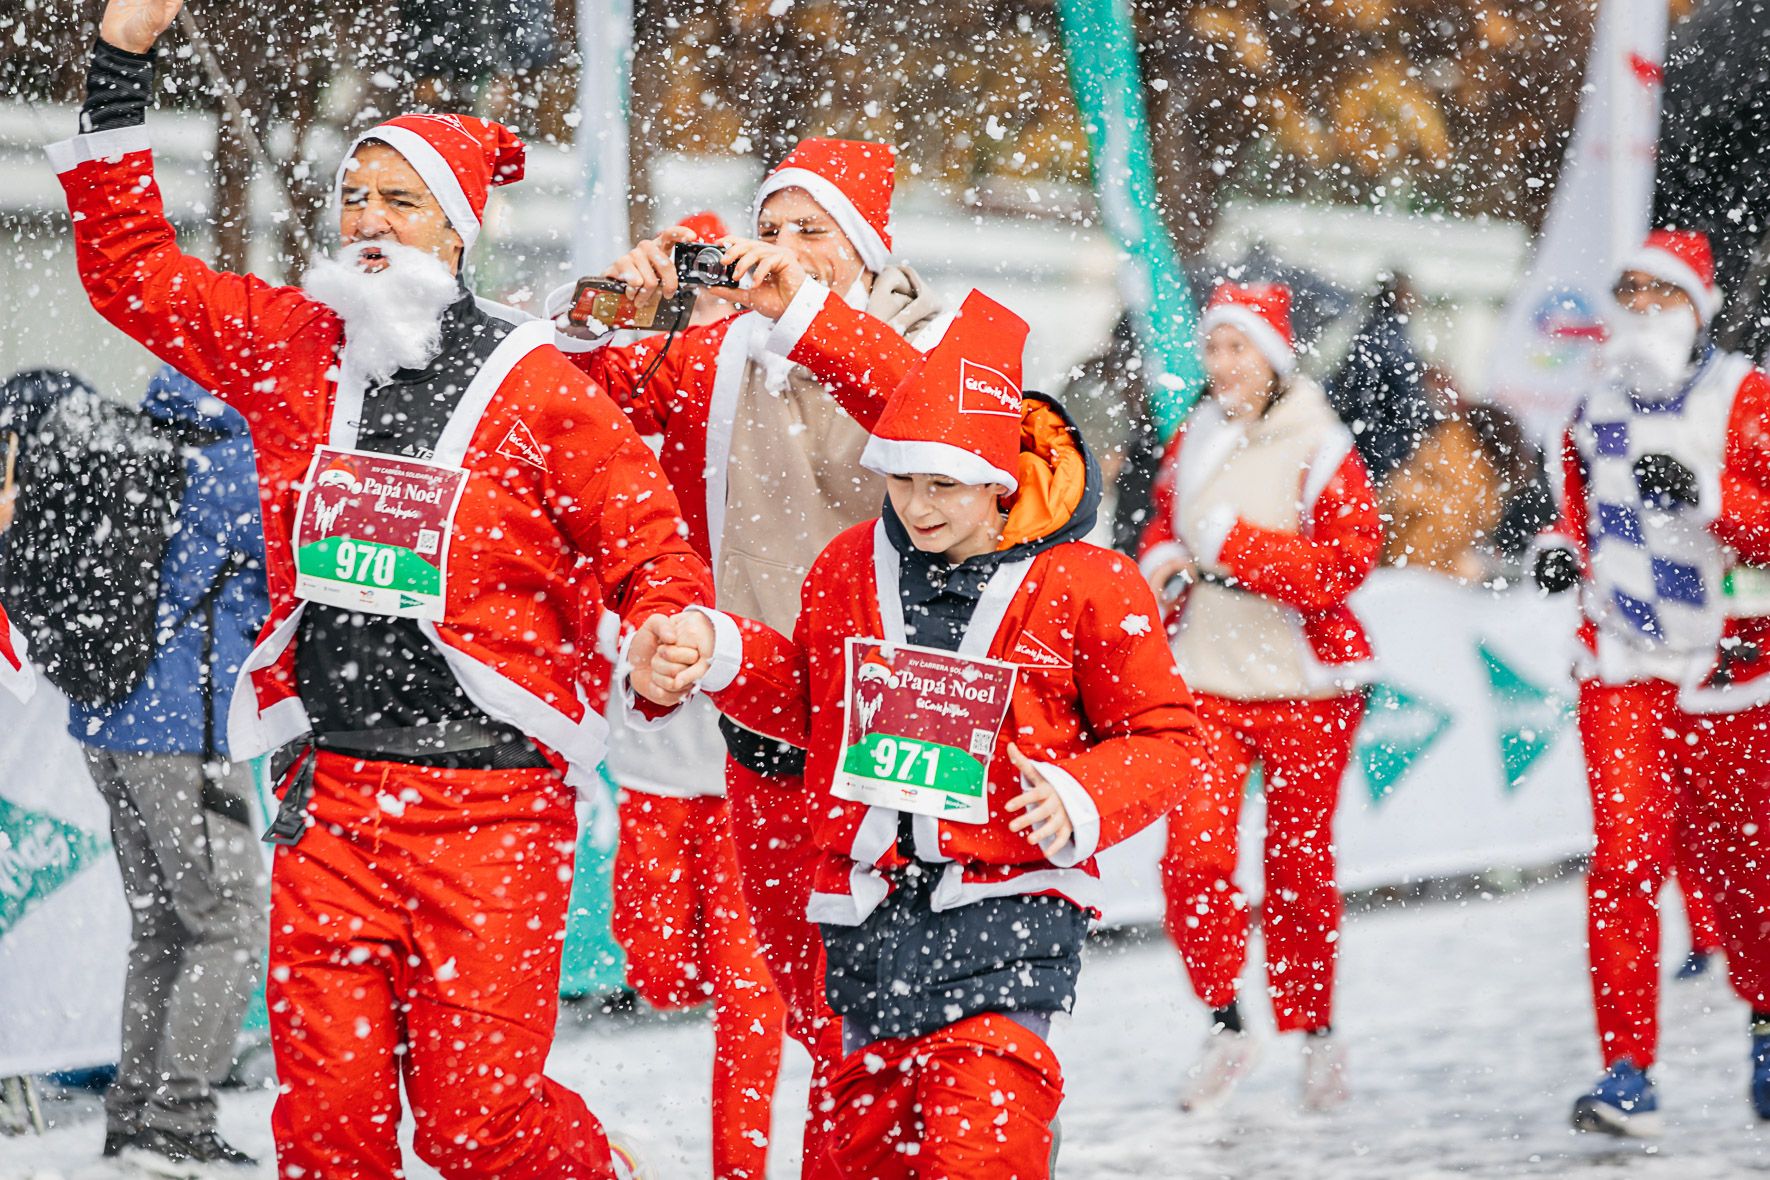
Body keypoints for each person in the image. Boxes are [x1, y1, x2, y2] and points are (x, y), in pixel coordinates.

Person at [50, 2, 714, 1176]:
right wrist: (121, 62)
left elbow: (642, 534)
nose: (368, 223)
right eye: (356, 199)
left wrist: (667, 621)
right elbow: (132, 272)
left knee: (480, 1130)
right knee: (329, 1131)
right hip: (335, 798)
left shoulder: (541, 383)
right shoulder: (295, 344)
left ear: (459, 230)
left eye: (401, 202)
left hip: (497, 814)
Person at [630, 289, 1205, 1178]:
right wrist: (722, 651)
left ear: (1000, 479)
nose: (918, 505)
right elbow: (814, 708)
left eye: (943, 484)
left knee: (975, 1151)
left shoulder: (1092, 585)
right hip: (866, 925)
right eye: (901, 479)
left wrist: (1086, 793)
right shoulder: (852, 562)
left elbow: (1168, 738)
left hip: (1007, 914)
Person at [559, 136, 948, 1176]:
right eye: (767, 229)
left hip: (910, 717)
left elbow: (932, 425)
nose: (779, 249)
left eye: (810, 231)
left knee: (916, 1008)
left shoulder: (937, 329)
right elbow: (570, 403)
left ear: (865, 247)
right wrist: (616, 303)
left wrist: (805, 315)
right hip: (764, 713)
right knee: (809, 1007)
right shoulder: (720, 345)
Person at [1532, 228, 1770, 1135]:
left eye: (1657, 295)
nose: (1639, 312)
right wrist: (1557, 556)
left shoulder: (1743, 395)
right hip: (1622, 662)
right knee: (1625, 864)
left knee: (1743, 872)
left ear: (1696, 307)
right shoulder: (1592, 407)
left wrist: (1710, 496)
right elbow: (1573, 519)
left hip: (1729, 668)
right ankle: (1627, 1067)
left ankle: (1766, 1015)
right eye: (1627, 294)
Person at [1138, 282, 1382, 1113]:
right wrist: (1163, 561)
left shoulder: (1322, 443)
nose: (1223, 364)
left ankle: (1315, 1032)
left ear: (1274, 357)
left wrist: (1236, 548)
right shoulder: (1197, 435)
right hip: (1205, 683)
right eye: (1213, 348)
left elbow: (1347, 565)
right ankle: (1226, 1022)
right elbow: (1166, 525)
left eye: (1238, 347)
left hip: (1305, 689)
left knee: (1298, 869)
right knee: (1192, 860)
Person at [43, 365, 270, 1168]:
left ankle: (137, 1113)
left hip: (110, 726)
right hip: (188, 733)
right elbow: (298, 581)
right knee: (230, 925)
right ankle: (178, 1121)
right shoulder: (239, 462)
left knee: (163, 925)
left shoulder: (136, 445)